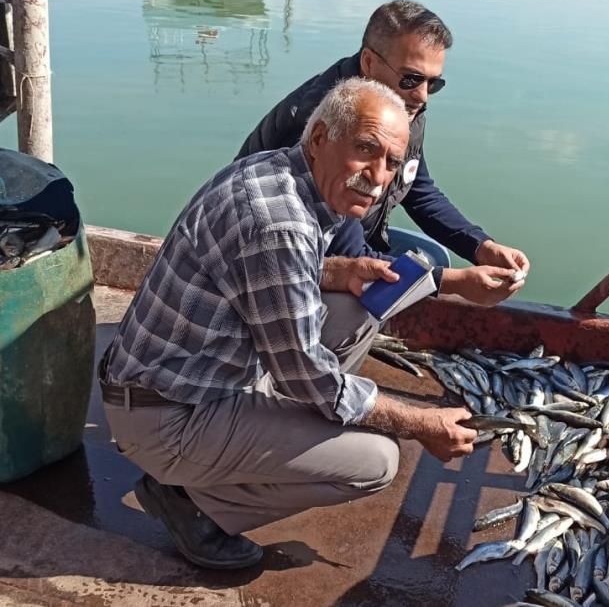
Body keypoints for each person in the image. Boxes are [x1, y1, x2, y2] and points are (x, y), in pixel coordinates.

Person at [100, 78, 478, 570]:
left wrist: (340, 270)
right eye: (365, 150)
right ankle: (193, 503)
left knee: (357, 310)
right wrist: (422, 421)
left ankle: (263, 444)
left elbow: (261, 272)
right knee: (376, 461)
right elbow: (308, 376)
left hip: (191, 378)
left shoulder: (277, 172)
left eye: (390, 162)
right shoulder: (279, 223)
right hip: (168, 417)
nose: (378, 176)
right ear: (320, 138)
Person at [237, 0, 529, 307]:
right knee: (370, 299)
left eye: (433, 83)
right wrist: (450, 282)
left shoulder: (399, 105)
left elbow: (416, 186)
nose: (422, 95)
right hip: (283, 263)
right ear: (369, 63)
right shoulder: (329, 124)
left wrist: (480, 246)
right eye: (411, 79)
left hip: (355, 239)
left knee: (432, 258)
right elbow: (349, 260)